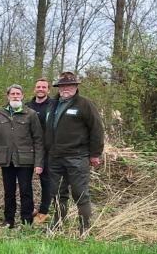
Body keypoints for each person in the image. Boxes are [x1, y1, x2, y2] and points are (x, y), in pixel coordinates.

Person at [45, 72, 104, 235]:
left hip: (77, 157)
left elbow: (97, 129)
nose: (65, 89)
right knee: (57, 193)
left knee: (79, 192)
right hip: (55, 157)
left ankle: (85, 228)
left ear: (76, 87)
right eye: (62, 86)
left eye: (69, 85)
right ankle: (57, 226)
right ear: (58, 88)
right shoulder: (53, 104)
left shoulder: (84, 104)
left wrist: (95, 154)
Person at [0, 85, 44, 228]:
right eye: (12, 93)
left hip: (25, 160)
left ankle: (26, 221)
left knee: (26, 191)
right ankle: (9, 221)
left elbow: (38, 139)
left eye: (18, 93)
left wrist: (39, 163)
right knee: (9, 192)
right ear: (8, 96)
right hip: (6, 160)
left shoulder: (30, 114)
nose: (15, 96)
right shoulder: (0, 114)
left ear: (22, 96)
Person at [26, 78, 55, 224]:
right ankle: (30, 208)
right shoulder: (26, 106)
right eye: (38, 87)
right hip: (27, 149)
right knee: (25, 180)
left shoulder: (53, 106)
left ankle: (43, 212)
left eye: (44, 87)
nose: (41, 89)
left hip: (47, 149)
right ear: (34, 89)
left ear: (48, 90)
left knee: (46, 180)